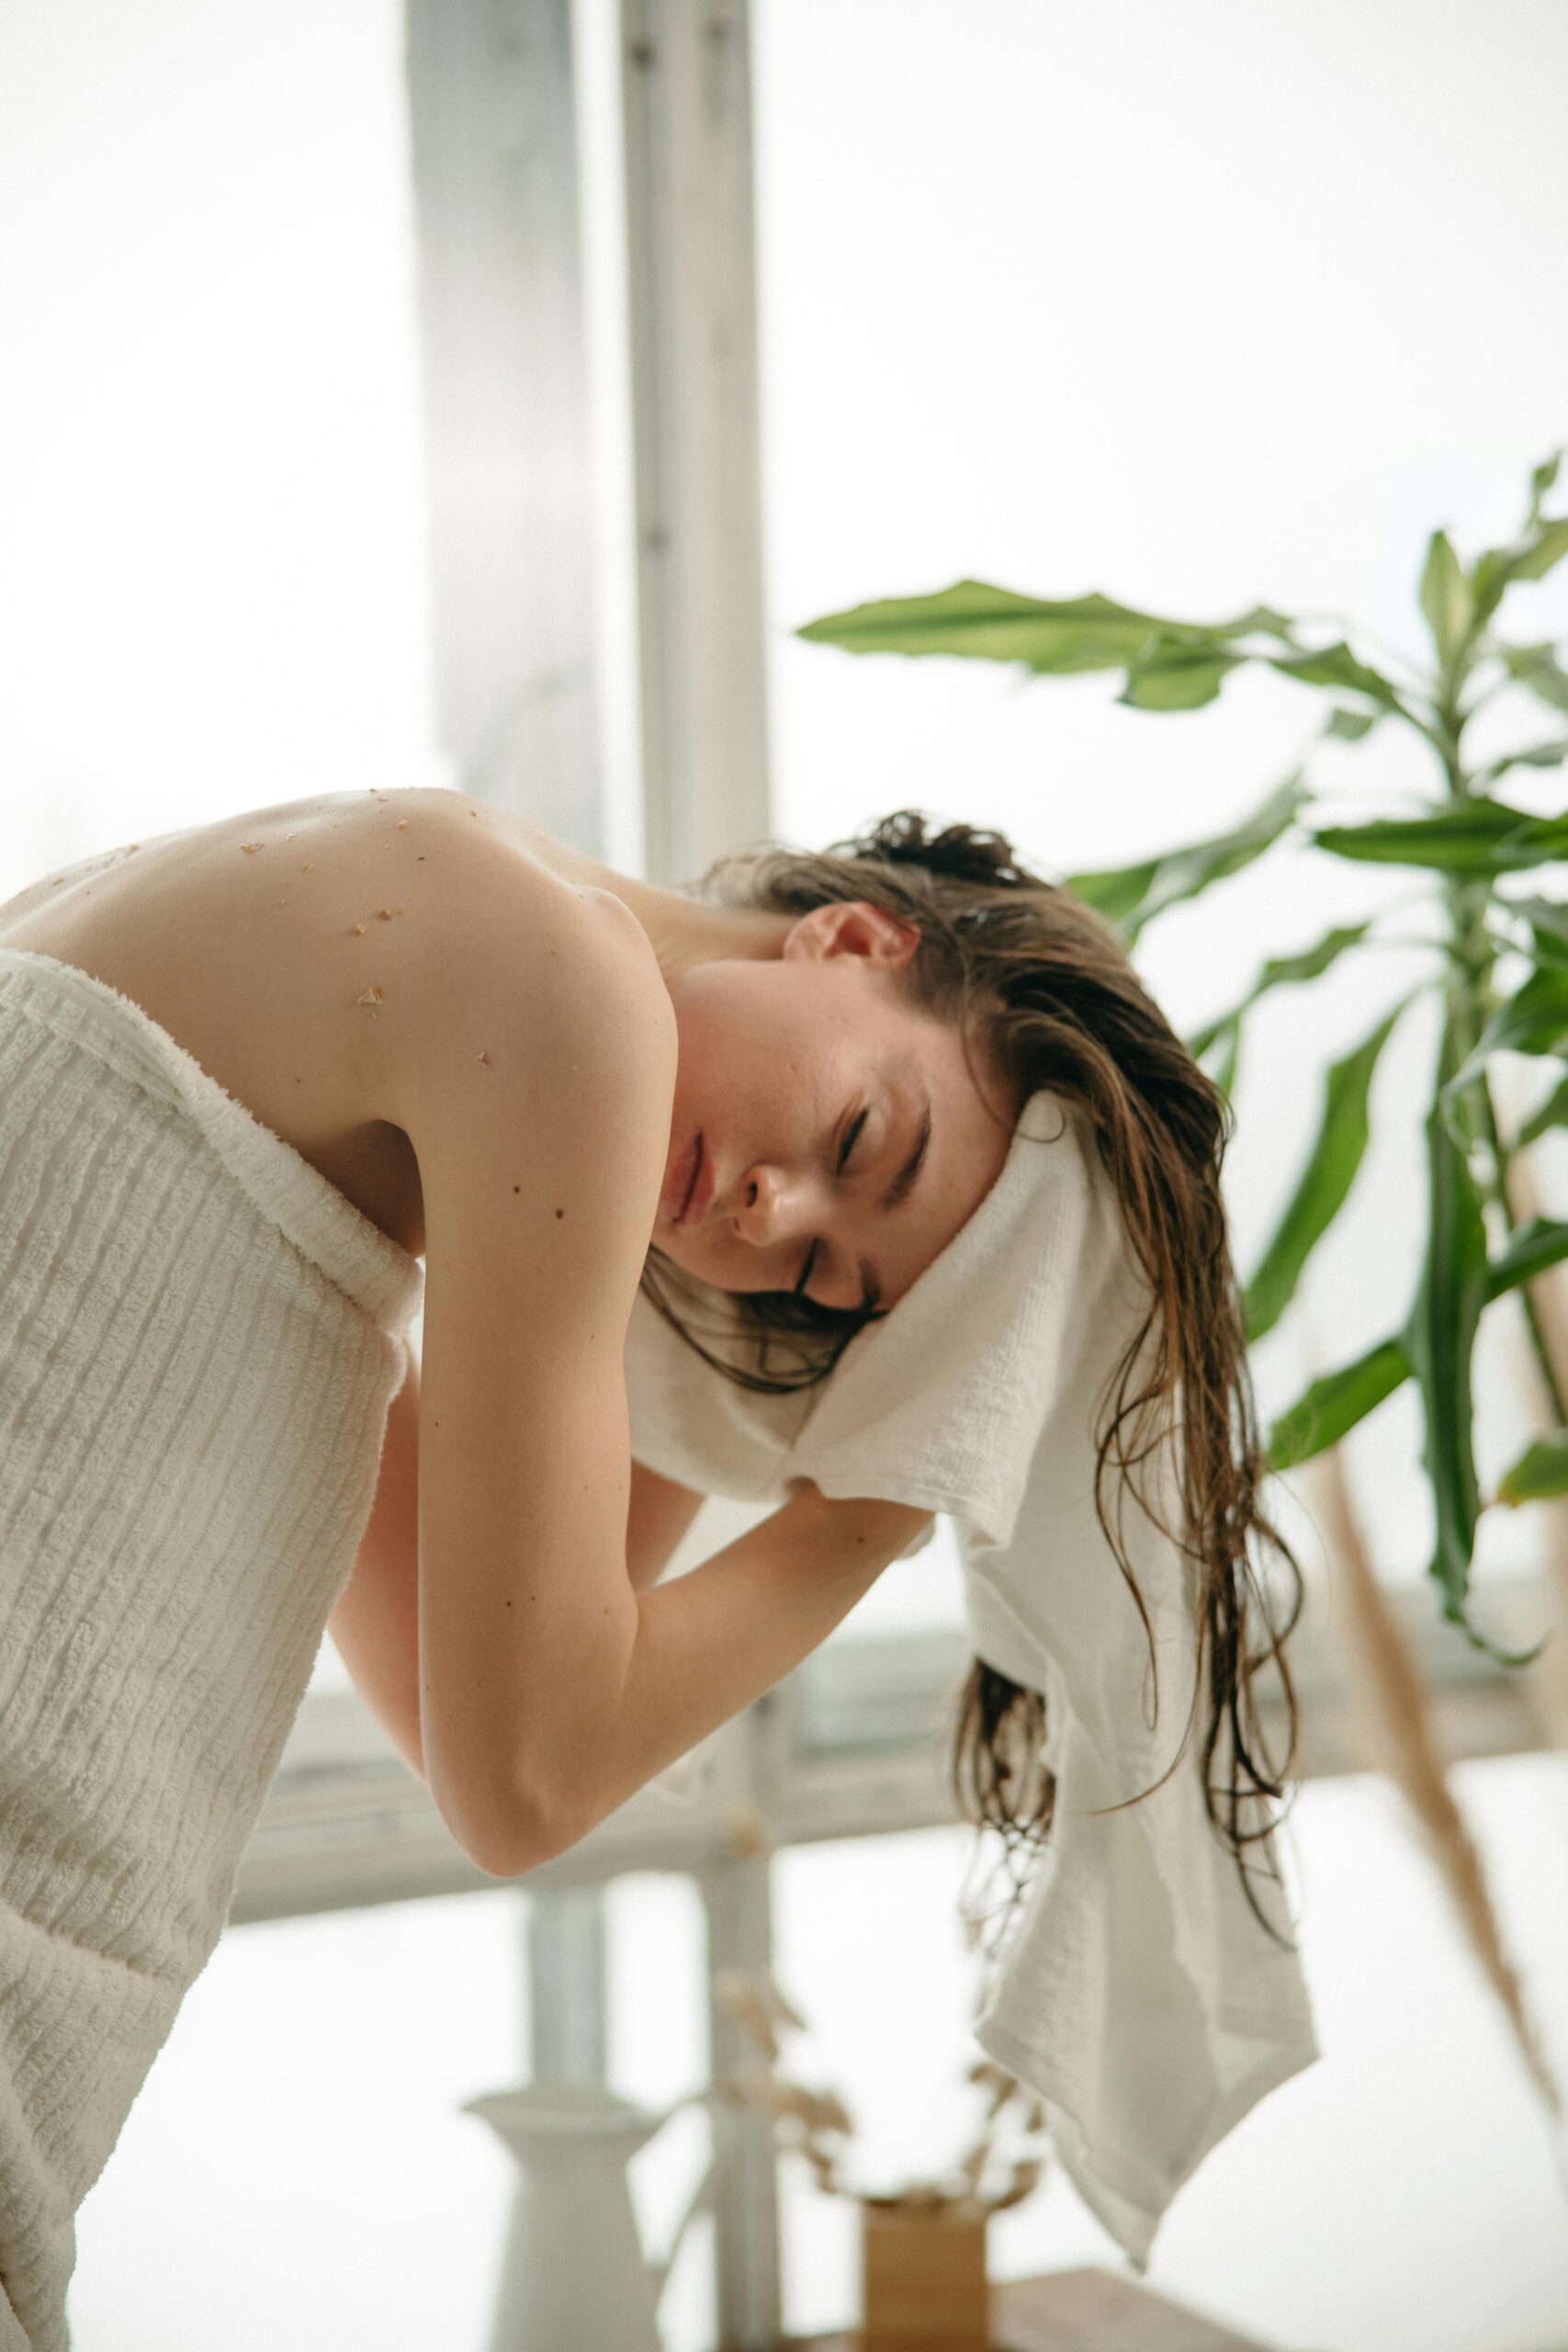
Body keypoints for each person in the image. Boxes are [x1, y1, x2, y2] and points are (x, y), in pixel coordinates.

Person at [0, 782, 1299, 2338]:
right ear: (857, 938)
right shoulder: (564, 991)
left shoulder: (479, 963)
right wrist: (882, 1499)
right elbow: (526, 1778)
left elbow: (447, 1688)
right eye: (860, 1137)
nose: (769, 1215)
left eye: (824, 1278)